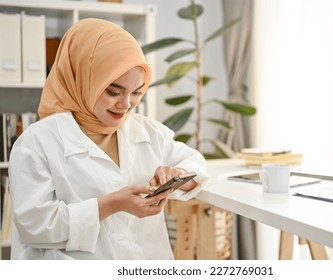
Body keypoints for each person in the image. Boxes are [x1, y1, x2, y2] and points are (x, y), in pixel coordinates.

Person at [8, 18, 208, 260]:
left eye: (136, 92)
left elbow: (194, 162)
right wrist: (110, 204)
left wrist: (176, 175)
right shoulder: (37, 142)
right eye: (113, 91)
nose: (126, 104)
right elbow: (34, 225)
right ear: (81, 79)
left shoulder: (147, 131)